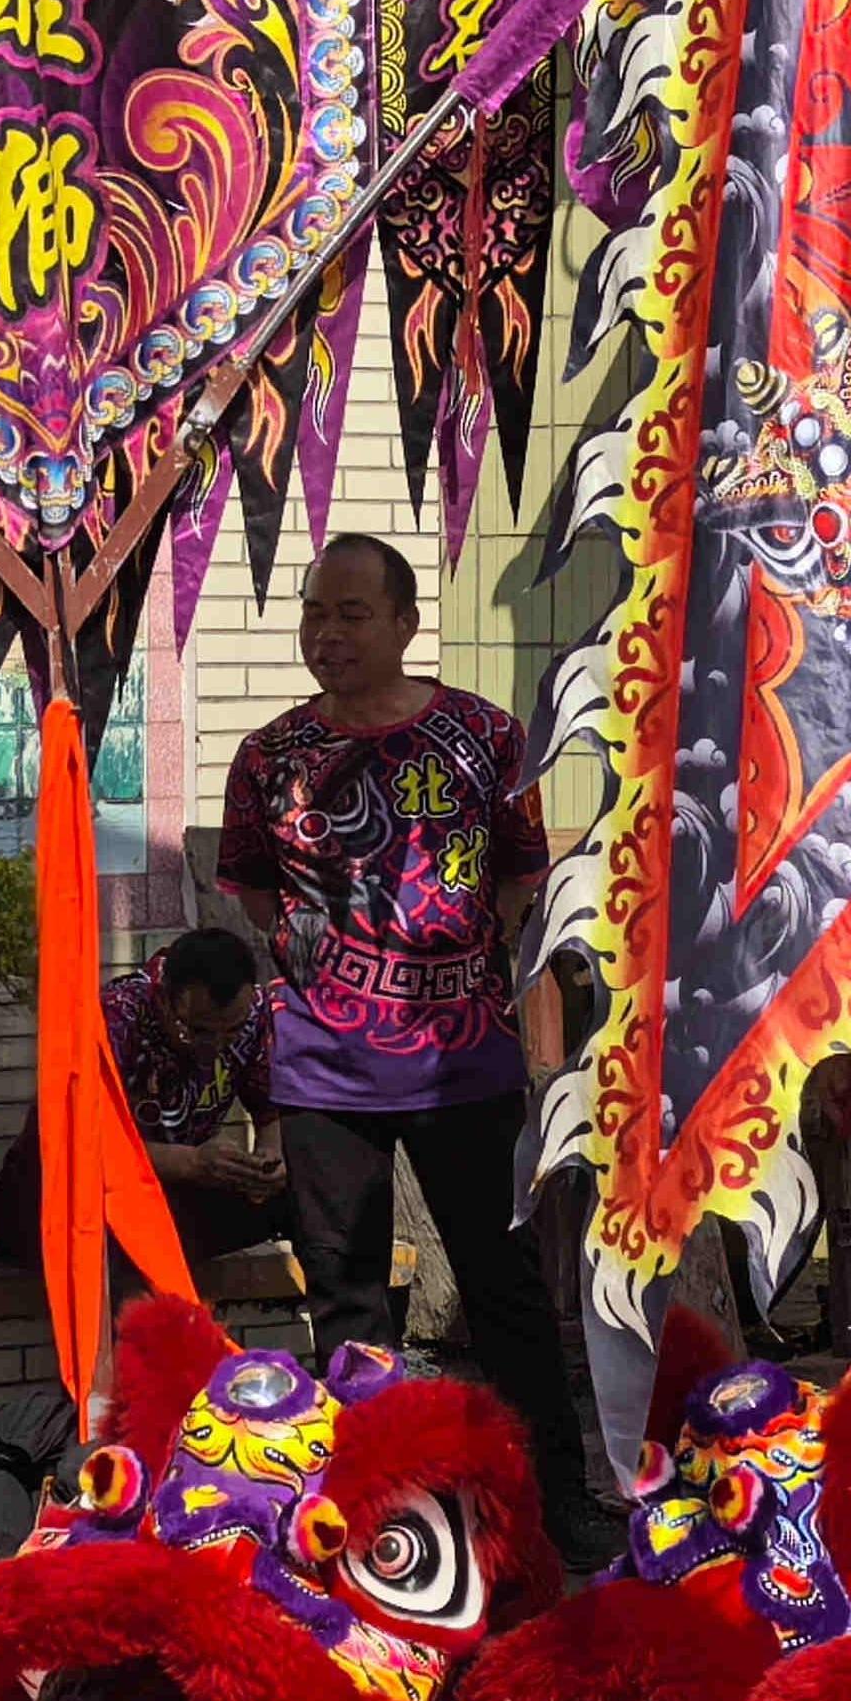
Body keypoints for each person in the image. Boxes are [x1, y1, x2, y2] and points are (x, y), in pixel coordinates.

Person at [216, 534, 620, 1569]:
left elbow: (520, 871)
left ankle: (556, 1500)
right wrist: (313, 957)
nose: (327, 633)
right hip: (321, 1072)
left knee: (504, 1290)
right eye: (315, 612)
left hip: (459, 1061)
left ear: (403, 624)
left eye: (351, 614)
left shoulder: (486, 735)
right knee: (345, 1298)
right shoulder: (267, 758)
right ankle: (378, 1515)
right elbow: (254, 887)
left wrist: (463, 965)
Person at [0, 926, 292, 1269]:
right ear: (164, 1000)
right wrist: (192, 1162)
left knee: (307, 1196)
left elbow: (269, 1113)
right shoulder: (116, 1019)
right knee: (116, 1245)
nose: (218, 1045)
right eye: (198, 1031)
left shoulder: (251, 1016)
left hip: (165, 1195)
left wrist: (269, 1162)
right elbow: (80, 1147)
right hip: (60, 1202)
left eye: (232, 1031)